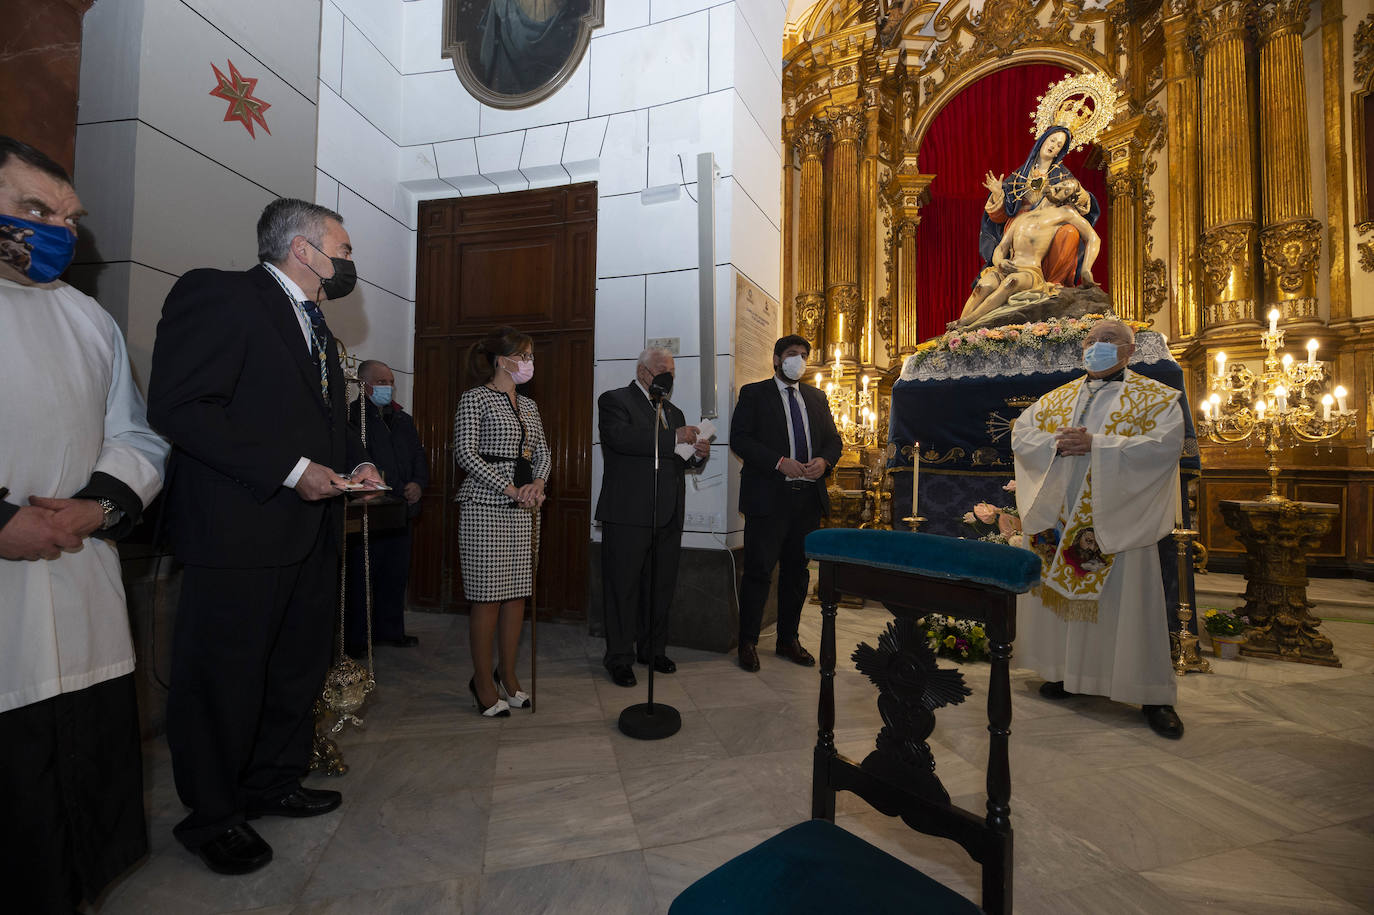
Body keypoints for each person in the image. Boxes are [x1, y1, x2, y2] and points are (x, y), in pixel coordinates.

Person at [147, 198, 383, 875]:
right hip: (239, 530)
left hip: (310, 530)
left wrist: (354, 466)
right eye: (343, 248)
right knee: (224, 678)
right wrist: (290, 470)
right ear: (304, 249)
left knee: (294, 668)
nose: (349, 262)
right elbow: (181, 407)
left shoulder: (319, 328)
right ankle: (213, 815)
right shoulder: (220, 295)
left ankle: (272, 780)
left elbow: (316, 425)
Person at [0, 136, 169, 915]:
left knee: (80, 788)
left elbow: (136, 436)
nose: (59, 231)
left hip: (80, 573)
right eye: (36, 210)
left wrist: (99, 505)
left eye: (70, 219)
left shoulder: (89, 319)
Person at [1011, 319, 1186, 739]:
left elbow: (1164, 447)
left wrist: (1098, 445)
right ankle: (1067, 674)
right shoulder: (1057, 398)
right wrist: (1054, 443)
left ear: (1129, 351)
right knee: (1061, 599)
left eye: (1108, 339)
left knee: (1131, 604)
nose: (1096, 346)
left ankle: (1150, 694)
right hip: (1063, 514)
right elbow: (1022, 434)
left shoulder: (1156, 399)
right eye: (1090, 340)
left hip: (1119, 518)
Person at [596, 347, 710, 687]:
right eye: (662, 369)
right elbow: (622, 439)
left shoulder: (673, 411)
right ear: (643, 371)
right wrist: (674, 437)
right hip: (627, 513)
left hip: (668, 514)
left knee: (660, 588)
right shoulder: (615, 400)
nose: (667, 376)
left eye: (672, 371)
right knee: (623, 589)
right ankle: (619, 657)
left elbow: (678, 458)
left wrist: (697, 454)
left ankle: (652, 650)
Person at [452, 326, 550, 716]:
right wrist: (509, 488)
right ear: (501, 359)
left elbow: (543, 452)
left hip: (526, 507)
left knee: (517, 594)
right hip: (485, 505)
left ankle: (507, 675)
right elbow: (465, 453)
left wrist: (538, 482)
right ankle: (481, 680)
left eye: (530, 356)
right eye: (523, 356)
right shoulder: (474, 398)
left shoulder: (530, 406)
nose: (529, 363)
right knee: (487, 596)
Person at [730, 335, 842, 672]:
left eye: (804, 355)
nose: (799, 360)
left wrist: (824, 461)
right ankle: (747, 642)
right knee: (758, 572)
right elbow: (740, 439)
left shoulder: (816, 397)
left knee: (797, 575)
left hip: (807, 500)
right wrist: (779, 462)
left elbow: (833, 440)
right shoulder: (754, 394)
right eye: (793, 354)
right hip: (768, 499)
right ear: (777, 359)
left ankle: (787, 639)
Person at [345, 359, 429, 655]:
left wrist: (418, 483)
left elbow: (418, 456)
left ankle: (390, 630)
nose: (389, 387)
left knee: (395, 573)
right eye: (382, 382)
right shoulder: (352, 417)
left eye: (391, 382)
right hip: (369, 510)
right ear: (364, 385)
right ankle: (356, 639)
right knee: (361, 575)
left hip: (400, 510)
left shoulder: (401, 418)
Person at [958, 177, 1101, 327]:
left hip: (1030, 271)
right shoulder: (1022, 217)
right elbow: (1001, 247)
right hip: (1006, 267)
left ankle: (968, 322)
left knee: (1011, 283)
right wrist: (999, 262)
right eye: (1064, 184)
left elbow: (1093, 238)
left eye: (1066, 191)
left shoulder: (1065, 212)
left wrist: (1086, 269)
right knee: (982, 287)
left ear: (1065, 200)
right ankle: (956, 331)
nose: (1061, 188)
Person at [979, 125, 1098, 279]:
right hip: (1021, 222)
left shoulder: (1063, 176)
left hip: (1050, 223)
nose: (1053, 146)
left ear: (1059, 152)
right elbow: (1001, 215)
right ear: (1043, 140)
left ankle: (1055, 283)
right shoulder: (1020, 175)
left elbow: (1081, 202)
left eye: (1058, 145)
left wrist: (1078, 192)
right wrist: (997, 194)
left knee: (1070, 232)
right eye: (1052, 140)